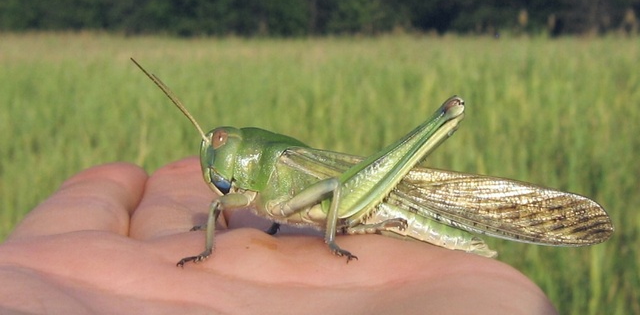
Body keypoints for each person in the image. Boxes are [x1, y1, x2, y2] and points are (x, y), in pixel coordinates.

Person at [0, 158, 557, 314]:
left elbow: (334, 186)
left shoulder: (274, 170)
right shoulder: (247, 191)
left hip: (361, 200)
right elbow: (242, 202)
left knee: (338, 184)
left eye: (219, 144)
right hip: (334, 198)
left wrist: (332, 241)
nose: (212, 157)